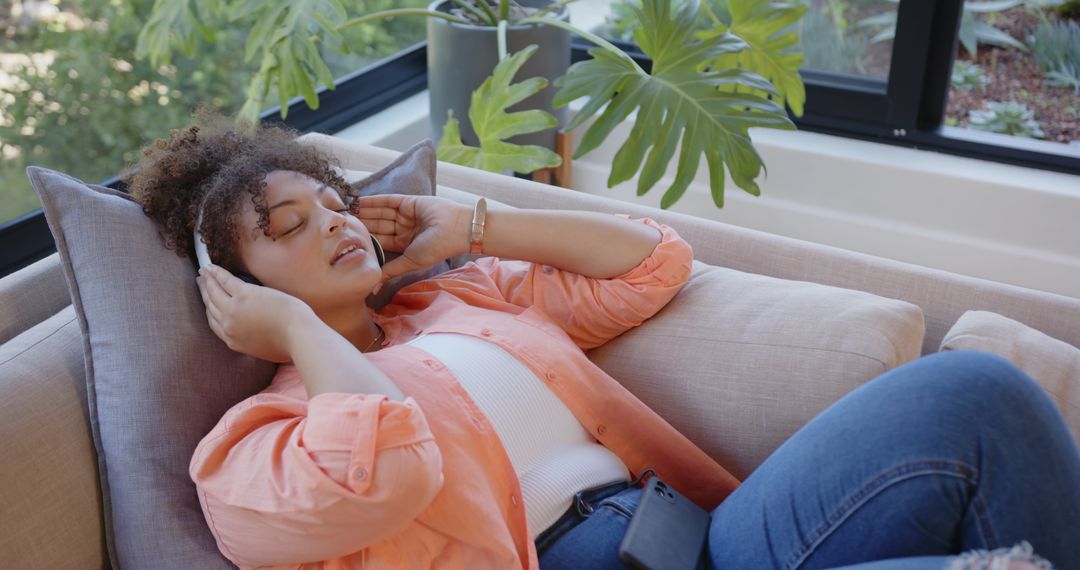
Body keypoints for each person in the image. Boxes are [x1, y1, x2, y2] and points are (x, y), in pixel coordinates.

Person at [127, 110, 1080, 570]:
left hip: (703, 538)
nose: (335, 222)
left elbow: (650, 264)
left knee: (979, 395)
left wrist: (472, 227)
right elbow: (386, 471)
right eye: (289, 228)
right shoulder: (255, 443)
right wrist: (295, 328)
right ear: (234, 287)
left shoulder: (462, 303)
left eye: (334, 203)